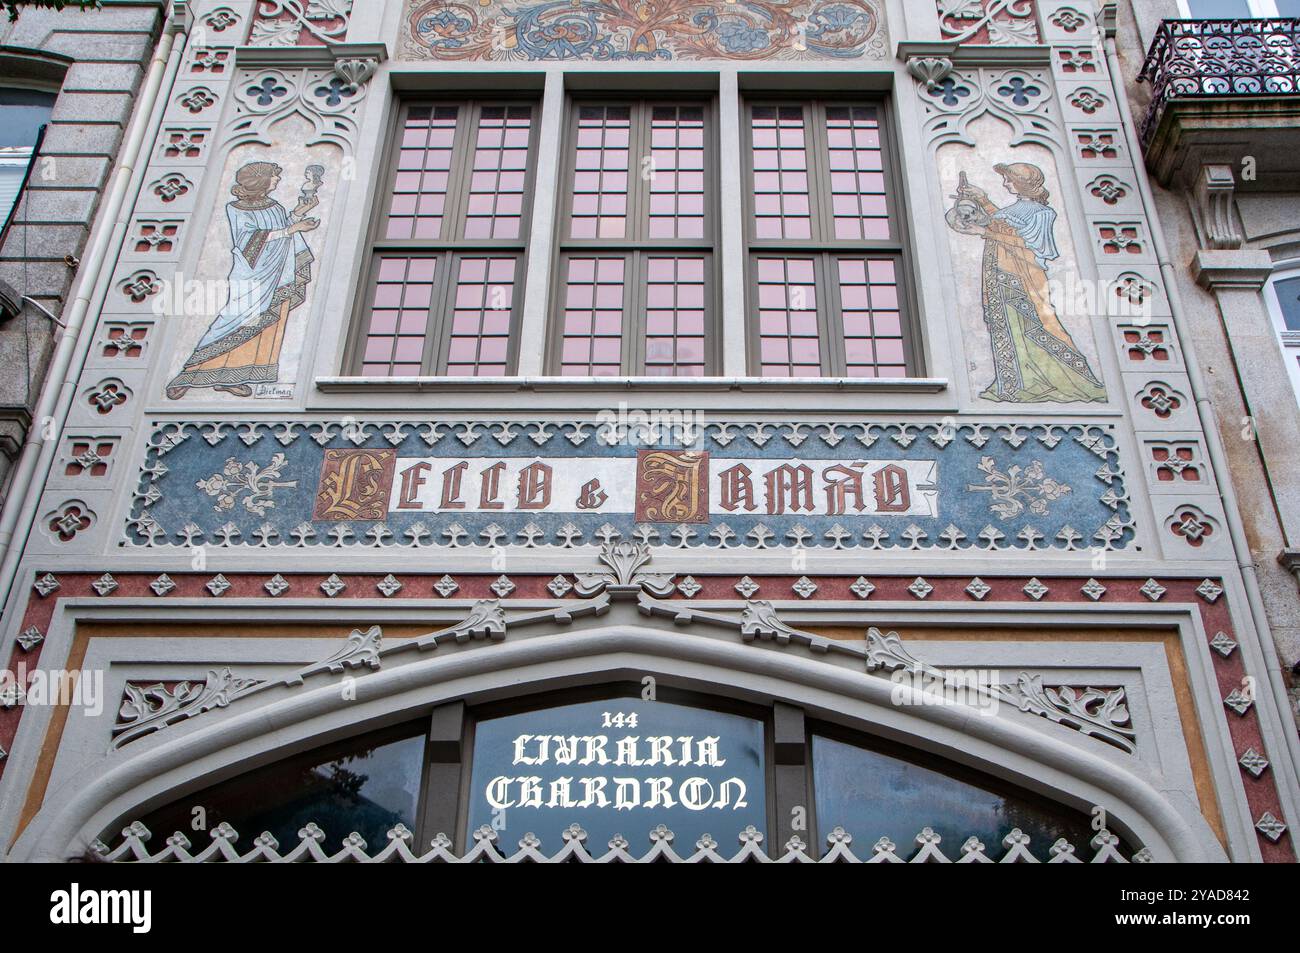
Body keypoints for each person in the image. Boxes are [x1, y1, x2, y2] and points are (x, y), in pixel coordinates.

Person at [952, 161, 1106, 403]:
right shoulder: (1016, 208)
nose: (1006, 183)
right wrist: (981, 199)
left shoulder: (1043, 213)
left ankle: (1073, 379)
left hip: (1023, 277)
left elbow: (1028, 245)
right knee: (1007, 327)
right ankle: (1014, 383)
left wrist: (984, 233)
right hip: (999, 274)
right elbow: (1001, 222)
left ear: (1023, 183)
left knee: (1038, 323)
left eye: (1009, 180)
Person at [166, 161, 318, 399]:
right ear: (261, 181)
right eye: (274, 177)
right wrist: (293, 228)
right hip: (253, 275)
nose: (277, 180)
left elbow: (281, 225)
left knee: (268, 322)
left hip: (278, 272)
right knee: (235, 319)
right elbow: (249, 241)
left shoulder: (275, 206)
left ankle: (233, 377)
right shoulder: (237, 209)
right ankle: (190, 374)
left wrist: (299, 213)